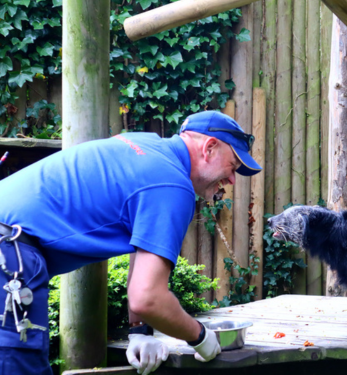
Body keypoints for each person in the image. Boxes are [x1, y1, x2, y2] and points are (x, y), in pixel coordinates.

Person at [0, 110, 262, 374]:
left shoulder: (144, 145)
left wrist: (139, 330)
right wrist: (201, 337)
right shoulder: (172, 185)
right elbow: (147, 297)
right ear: (209, 147)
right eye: (233, 166)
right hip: (10, 253)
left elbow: (141, 244)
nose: (231, 180)